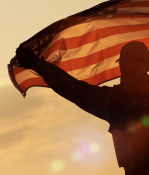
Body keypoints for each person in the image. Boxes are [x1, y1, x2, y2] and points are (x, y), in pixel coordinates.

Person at [16, 41, 149, 175]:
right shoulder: (114, 99)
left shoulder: (115, 100)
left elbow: (72, 88)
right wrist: (37, 64)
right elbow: (73, 88)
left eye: (123, 64)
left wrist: (36, 64)